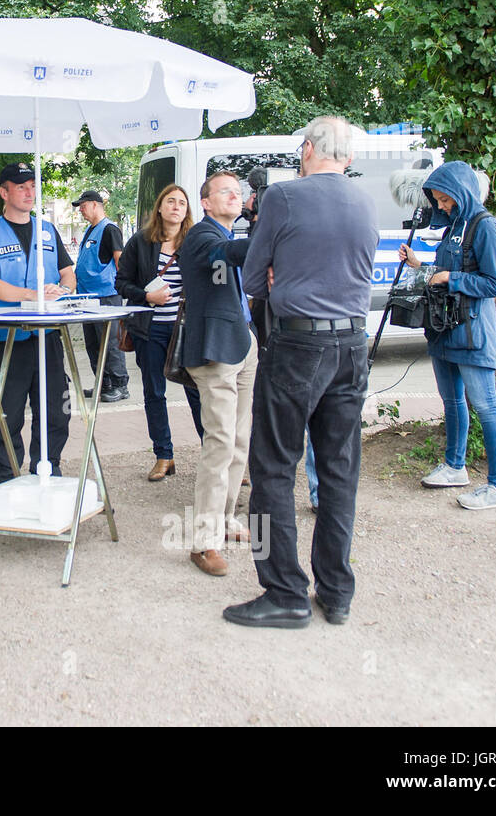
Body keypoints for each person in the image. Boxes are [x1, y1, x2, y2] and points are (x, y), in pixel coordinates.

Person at [227, 115, 378, 628]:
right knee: (339, 469)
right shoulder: (365, 201)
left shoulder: (283, 198)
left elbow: (252, 279)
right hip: (351, 343)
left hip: (298, 343)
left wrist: (279, 275)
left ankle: (285, 592)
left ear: (309, 149)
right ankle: (336, 592)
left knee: (272, 467)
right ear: (349, 158)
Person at [398, 161, 496, 511]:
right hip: (444, 331)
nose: (442, 206)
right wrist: (421, 266)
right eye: (438, 201)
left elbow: (494, 284)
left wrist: (450, 278)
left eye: (446, 199)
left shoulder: (485, 226)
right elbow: (446, 269)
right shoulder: (454, 227)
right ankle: (454, 466)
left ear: (462, 193)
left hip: (473, 333)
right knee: (453, 402)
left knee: (486, 406)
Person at [0, 163, 77, 487]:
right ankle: (4, 479)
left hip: (48, 337)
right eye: (21, 186)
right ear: (4, 192)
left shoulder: (47, 229)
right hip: (8, 339)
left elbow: (68, 272)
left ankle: (48, 470)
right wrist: (34, 296)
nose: (30, 192)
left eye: (33, 185)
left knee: (55, 411)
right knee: (7, 412)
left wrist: (63, 291)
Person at [178, 172, 256, 576]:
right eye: (226, 191)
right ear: (205, 202)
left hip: (243, 343)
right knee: (221, 440)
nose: (236, 195)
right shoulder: (202, 236)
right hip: (215, 350)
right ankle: (203, 542)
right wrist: (268, 232)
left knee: (240, 439)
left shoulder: (228, 233)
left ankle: (225, 520)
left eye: (239, 192)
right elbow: (223, 253)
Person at [115, 183, 205, 481]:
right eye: (170, 201)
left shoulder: (195, 241)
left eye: (182, 202)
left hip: (187, 330)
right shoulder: (141, 241)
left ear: (187, 210)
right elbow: (121, 282)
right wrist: (145, 296)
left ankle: (215, 457)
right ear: (160, 208)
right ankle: (164, 455)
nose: (176, 206)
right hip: (149, 330)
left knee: (198, 392)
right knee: (155, 392)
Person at [72, 189, 129, 403]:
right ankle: (103, 383)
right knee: (93, 343)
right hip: (87, 298)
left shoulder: (110, 230)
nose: (81, 211)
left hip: (106, 296)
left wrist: (124, 286)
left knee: (110, 342)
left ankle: (119, 384)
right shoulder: (90, 231)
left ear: (95, 204)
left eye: (83, 206)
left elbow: (119, 261)